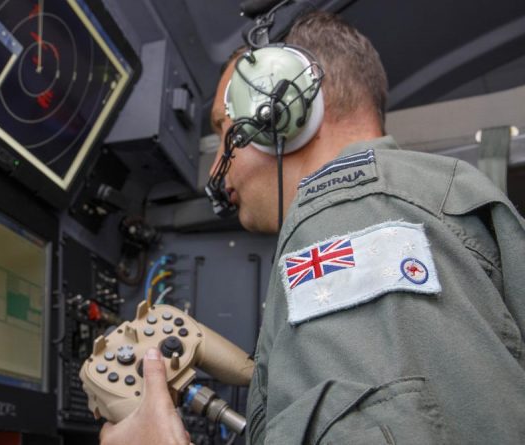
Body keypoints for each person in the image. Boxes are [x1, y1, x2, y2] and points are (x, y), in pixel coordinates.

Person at [100, 10, 525, 445]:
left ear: (279, 112)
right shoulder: (427, 196)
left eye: (224, 127)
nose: (216, 169)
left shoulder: (346, 217)